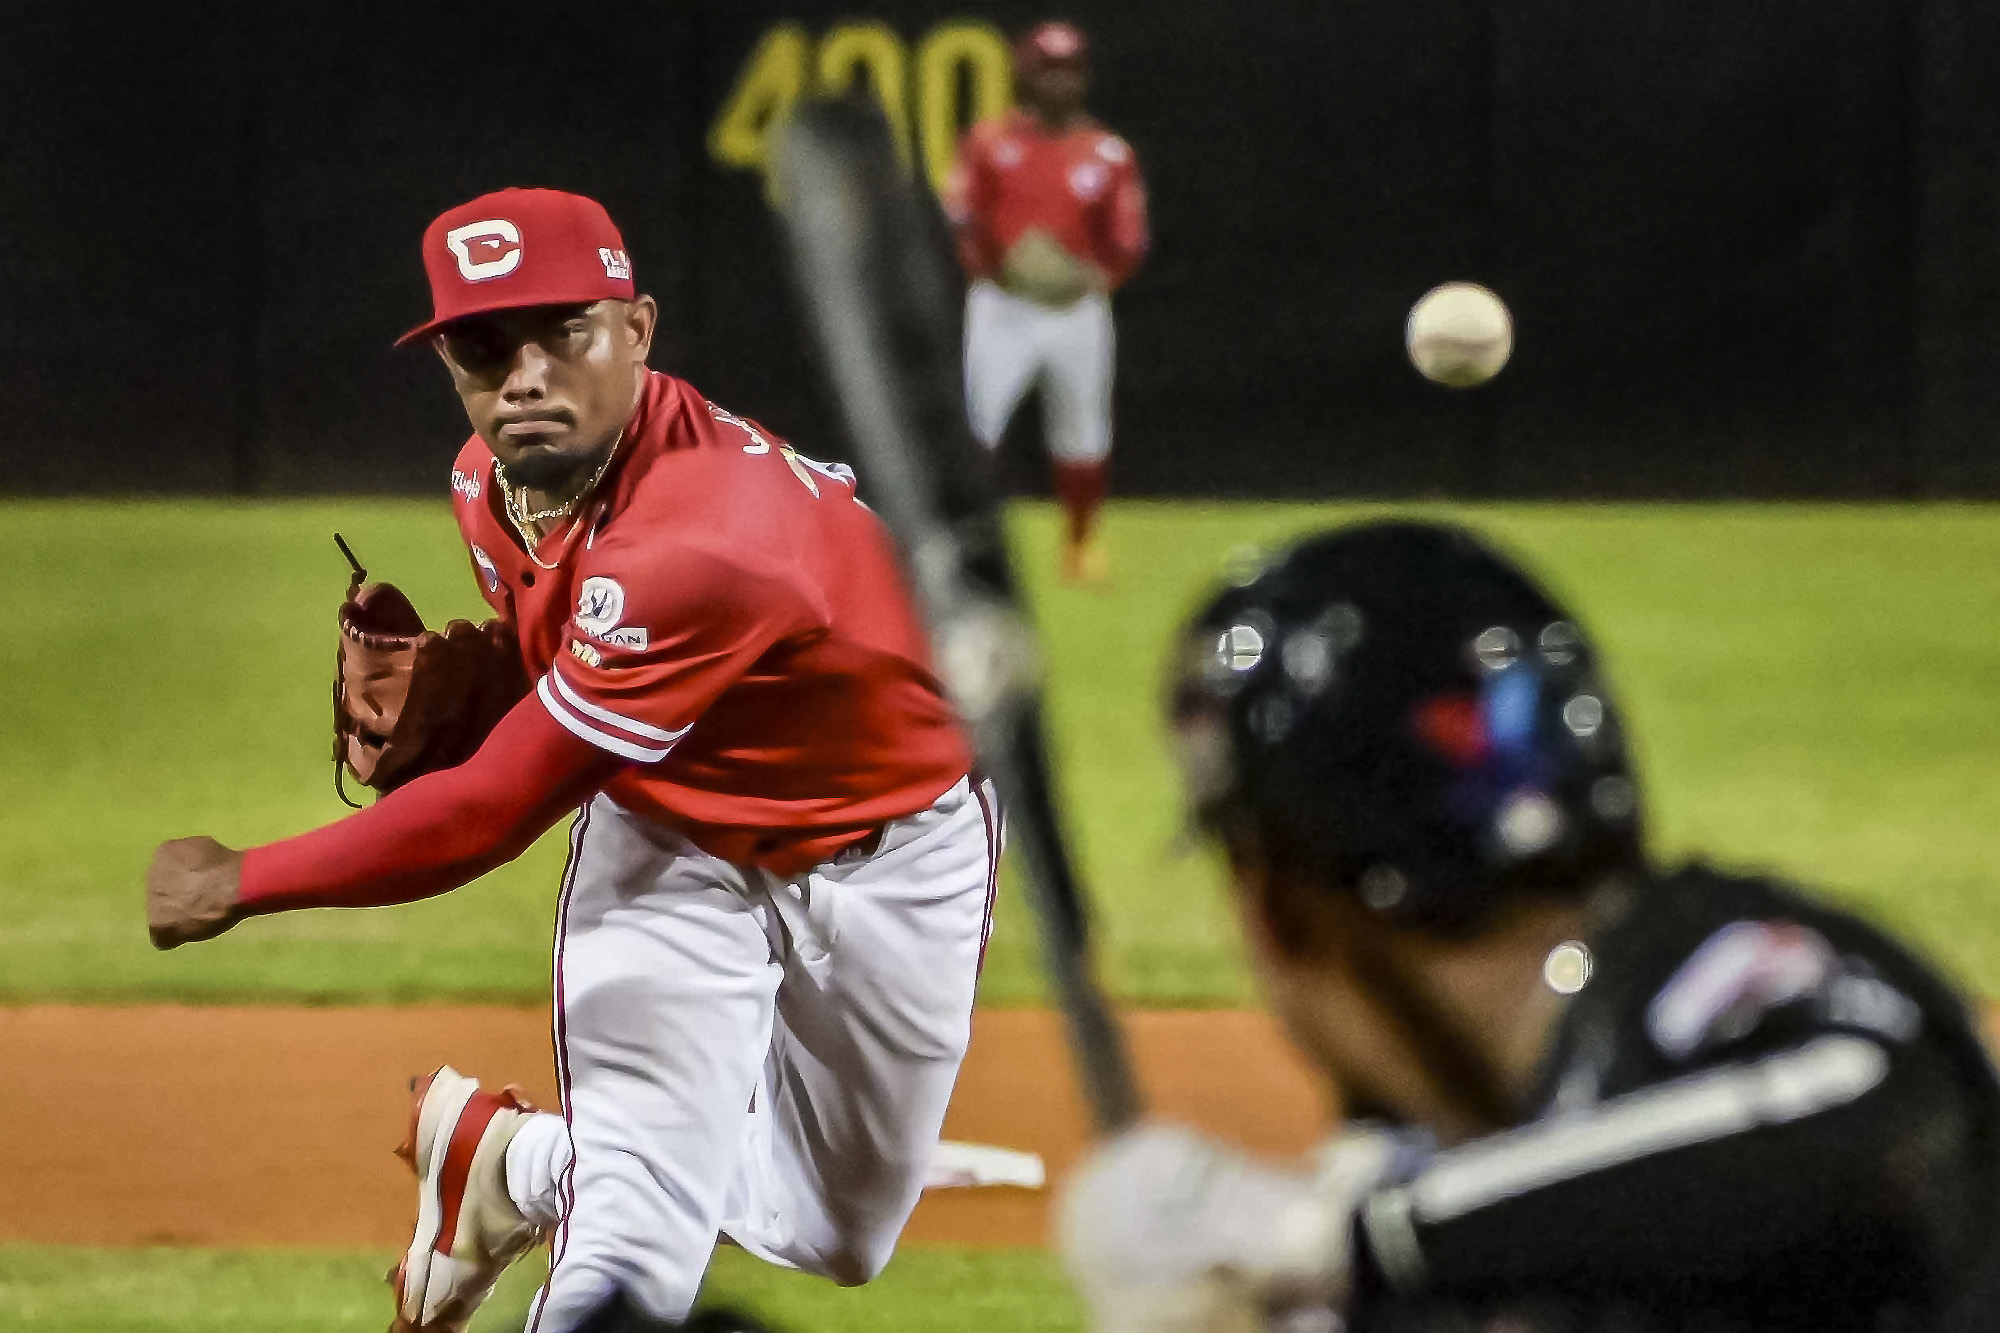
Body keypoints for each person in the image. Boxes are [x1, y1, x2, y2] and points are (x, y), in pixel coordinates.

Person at [144, 187, 1002, 1333]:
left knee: (834, 1232)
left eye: (565, 331)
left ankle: (510, 1162)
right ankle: (591, 1185)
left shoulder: (704, 533)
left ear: (638, 331)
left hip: (890, 850)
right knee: (637, 1236)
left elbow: (491, 807)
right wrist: (507, 662)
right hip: (667, 840)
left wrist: (245, 877)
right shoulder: (486, 483)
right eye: (483, 346)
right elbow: (582, 644)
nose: (526, 375)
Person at [1058, 519, 2000, 1332]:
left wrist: (1347, 1241)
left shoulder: (1700, 974)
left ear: (1278, 911)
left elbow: (1869, 1105)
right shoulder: (1471, 1219)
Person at [942, 20, 1149, 586]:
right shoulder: (988, 143)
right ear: (1026, 75)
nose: (1060, 82)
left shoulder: (1107, 153)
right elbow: (961, 215)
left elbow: (1129, 239)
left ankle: (1081, 544)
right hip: (1002, 306)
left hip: (1076, 309)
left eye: (1071, 70)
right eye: (1049, 70)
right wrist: (997, 263)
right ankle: (967, 541)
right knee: (978, 427)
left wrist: (1090, 273)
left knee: (1083, 431)